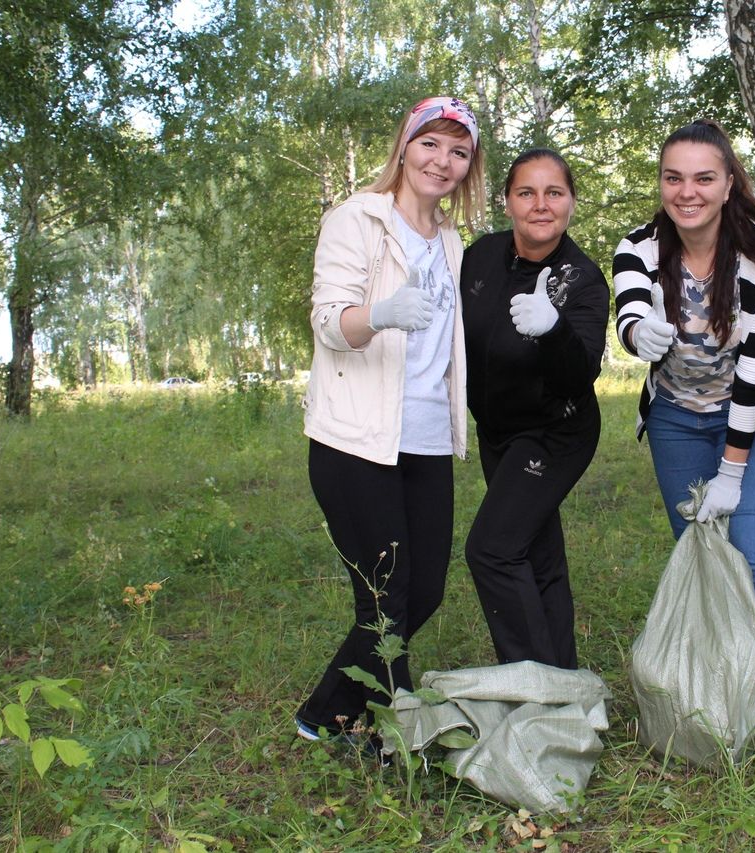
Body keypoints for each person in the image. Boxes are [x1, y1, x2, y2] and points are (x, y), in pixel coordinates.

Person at [296, 97, 486, 748]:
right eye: (431, 144)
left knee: (424, 588)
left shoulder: (455, 244)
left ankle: (325, 711)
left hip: (429, 437)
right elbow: (328, 323)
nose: (444, 161)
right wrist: (378, 313)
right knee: (386, 592)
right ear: (405, 146)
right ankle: (392, 726)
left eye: (459, 151)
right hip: (357, 439)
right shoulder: (358, 220)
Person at [613, 119, 755, 712]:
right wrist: (638, 331)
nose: (686, 192)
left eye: (703, 178)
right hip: (675, 416)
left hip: (754, 413)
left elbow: (753, 374)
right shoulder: (638, 245)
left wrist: (733, 472)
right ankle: (720, 684)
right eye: (673, 178)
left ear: (727, 186)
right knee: (697, 549)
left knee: (751, 542)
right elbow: (629, 309)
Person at [460, 149, 609, 669]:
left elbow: (580, 372)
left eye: (554, 193)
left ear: (570, 202)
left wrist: (554, 329)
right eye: (527, 192)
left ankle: (535, 692)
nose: (540, 205)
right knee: (533, 553)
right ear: (507, 203)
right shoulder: (479, 257)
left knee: (493, 550)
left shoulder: (584, 279)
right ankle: (561, 680)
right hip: (496, 430)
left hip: (555, 432)